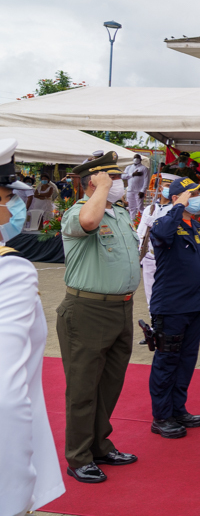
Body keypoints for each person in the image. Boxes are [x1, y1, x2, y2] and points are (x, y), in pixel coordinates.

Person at [57, 151, 140, 483]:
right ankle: (78, 456)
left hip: (121, 308)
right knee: (83, 389)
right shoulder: (77, 213)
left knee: (109, 385)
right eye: (113, 178)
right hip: (88, 310)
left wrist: (107, 194)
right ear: (95, 180)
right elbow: (89, 223)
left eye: (118, 178)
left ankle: (100, 446)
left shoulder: (118, 214)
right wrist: (101, 189)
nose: (119, 184)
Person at [0, 139, 66, 514]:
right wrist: (15, 499)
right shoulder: (10, 271)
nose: (14, 205)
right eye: (8, 194)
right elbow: (6, 400)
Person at [147, 177, 200, 439]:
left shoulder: (194, 226)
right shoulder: (165, 224)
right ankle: (162, 416)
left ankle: (177, 408)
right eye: (191, 194)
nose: (198, 198)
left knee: (186, 361)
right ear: (176, 198)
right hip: (171, 306)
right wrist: (177, 207)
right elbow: (161, 235)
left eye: (197, 194)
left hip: (194, 305)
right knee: (167, 361)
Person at [136, 174, 179, 315]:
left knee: (167, 292)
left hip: (166, 257)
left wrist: (153, 221)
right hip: (149, 256)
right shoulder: (150, 209)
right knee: (150, 294)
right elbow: (141, 232)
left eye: (171, 187)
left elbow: (166, 229)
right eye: (166, 186)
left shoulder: (175, 209)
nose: (168, 190)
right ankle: (154, 325)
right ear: (160, 188)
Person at [123, 154, 150, 221]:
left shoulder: (144, 168)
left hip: (139, 191)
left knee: (140, 207)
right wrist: (132, 174)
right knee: (131, 207)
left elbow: (146, 180)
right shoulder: (129, 167)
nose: (136, 159)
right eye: (135, 158)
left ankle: (142, 221)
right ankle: (133, 221)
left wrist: (142, 191)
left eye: (137, 158)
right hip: (130, 190)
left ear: (140, 160)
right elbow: (123, 176)